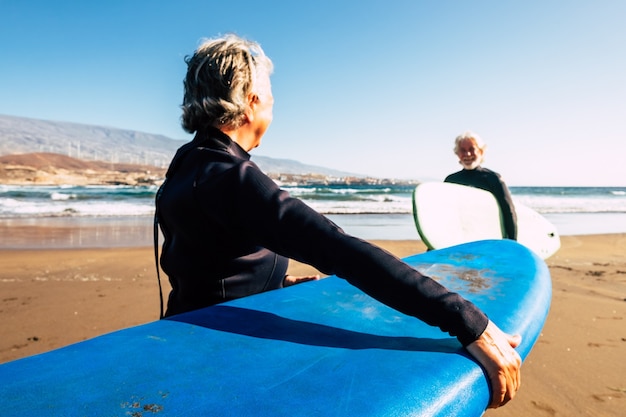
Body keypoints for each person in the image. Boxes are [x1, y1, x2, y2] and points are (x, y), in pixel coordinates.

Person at [155, 34, 521, 409]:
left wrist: (271, 281)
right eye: (270, 99)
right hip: (222, 354)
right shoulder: (230, 176)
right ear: (251, 102)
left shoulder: (186, 166)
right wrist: (468, 321)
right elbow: (339, 250)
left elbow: (202, 255)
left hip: (183, 333)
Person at [445, 131, 518, 240]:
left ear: (481, 151)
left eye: (472, 149)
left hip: (486, 239)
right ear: (457, 153)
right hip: (460, 239)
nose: (468, 154)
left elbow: (508, 212)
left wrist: (512, 243)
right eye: (463, 150)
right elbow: (445, 214)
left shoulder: (493, 179)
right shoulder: (450, 180)